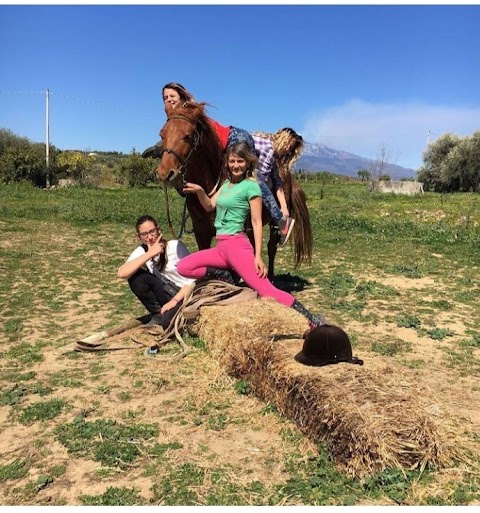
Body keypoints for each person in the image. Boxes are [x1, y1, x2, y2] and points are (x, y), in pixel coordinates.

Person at [177, 142, 326, 331]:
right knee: (184, 266)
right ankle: (225, 274)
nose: (235, 165)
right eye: (232, 161)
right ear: (227, 162)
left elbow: (256, 223)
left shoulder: (251, 187)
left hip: (237, 245)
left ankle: (312, 320)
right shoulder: (226, 185)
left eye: (240, 161)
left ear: (248, 163)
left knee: (266, 290)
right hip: (221, 247)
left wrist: (257, 256)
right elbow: (208, 206)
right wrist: (199, 191)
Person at [142, 82, 295, 247]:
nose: (168, 100)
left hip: (235, 137)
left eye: (172, 96)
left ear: (182, 97)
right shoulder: (175, 119)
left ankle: (280, 220)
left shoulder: (190, 110)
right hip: (220, 146)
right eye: (165, 97)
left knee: (250, 176)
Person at [117, 215, 196, 331]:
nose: (149, 237)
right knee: (137, 278)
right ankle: (157, 314)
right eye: (144, 234)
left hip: (186, 293)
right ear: (139, 237)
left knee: (168, 324)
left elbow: (192, 279)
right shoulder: (143, 250)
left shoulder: (174, 246)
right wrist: (150, 254)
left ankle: (167, 316)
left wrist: (174, 301)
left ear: (159, 230)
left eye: (152, 232)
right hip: (166, 293)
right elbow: (122, 273)